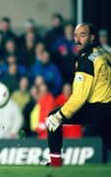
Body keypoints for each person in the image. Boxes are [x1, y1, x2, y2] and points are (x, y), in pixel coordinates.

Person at [45, 23, 111, 166]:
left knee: (53, 117)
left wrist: (60, 115)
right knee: (108, 141)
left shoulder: (86, 59)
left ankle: (55, 164)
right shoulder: (104, 52)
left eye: (82, 35)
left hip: (99, 108)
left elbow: (79, 97)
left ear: (92, 37)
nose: (77, 40)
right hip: (108, 107)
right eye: (75, 35)